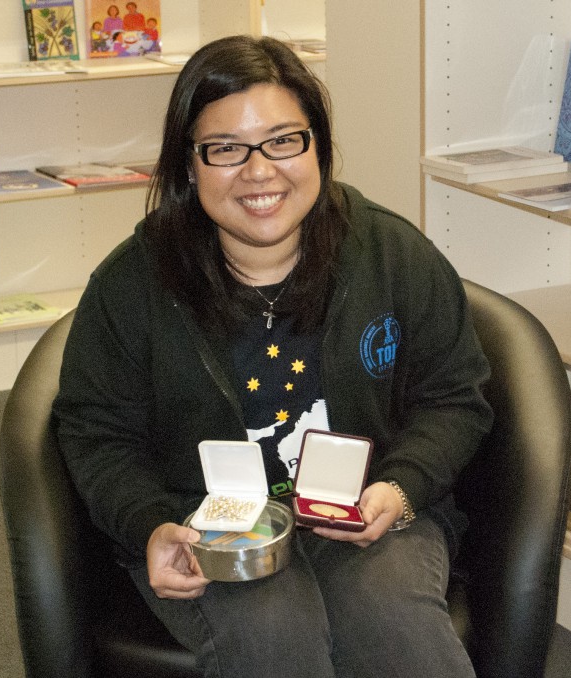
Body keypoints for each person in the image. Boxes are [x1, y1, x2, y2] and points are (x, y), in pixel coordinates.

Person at [53, 34, 493, 678]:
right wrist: (150, 525)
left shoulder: (392, 255)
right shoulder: (132, 284)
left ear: (319, 146)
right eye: (226, 149)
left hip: (370, 507)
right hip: (209, 525)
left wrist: (402, 489)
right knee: (273, 636)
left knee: (396, 627)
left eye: (285, 140)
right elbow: (96, 433)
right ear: (188, 165)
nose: (260, 172)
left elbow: (455, 397)